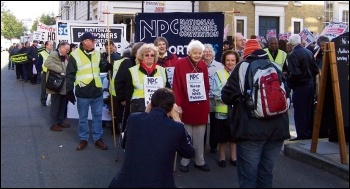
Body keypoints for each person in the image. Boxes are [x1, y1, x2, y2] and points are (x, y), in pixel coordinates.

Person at [221, 39, 290, 188]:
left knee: (248, 176)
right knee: (266, 172)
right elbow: (287, 95)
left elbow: (226, 96)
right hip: (278, 128)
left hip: (251, 129)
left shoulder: (242, 67)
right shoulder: (275, 66)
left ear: (246, 54)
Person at [108, 88, 195, 188]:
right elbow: (190, 153)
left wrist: (146, 111)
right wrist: (177, 118)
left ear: (151, 104)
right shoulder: (176, 128)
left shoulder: (134, 119)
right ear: (171, 108)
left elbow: (124, 144)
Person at [66, 32, 110, 150]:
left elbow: (101, 67)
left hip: (96, 90)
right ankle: (83, 139)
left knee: (97, 116)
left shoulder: (97, 53)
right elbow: (70, 74)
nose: (94, 42)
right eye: (92, 40)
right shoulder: (75, 55)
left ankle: (97, 138)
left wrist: (107, 65)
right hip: (83, 91)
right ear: (85, 41)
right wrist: (69, 90)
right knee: (83, 118)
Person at [172, 40, 210, 172]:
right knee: (186, 134)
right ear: (189, 53)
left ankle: (200, 160)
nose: (197, 55)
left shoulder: (203, 65)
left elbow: (206, 86)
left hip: (200, 104)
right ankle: (185, 160)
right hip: (185, 104)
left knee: (200, 134)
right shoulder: (180, 63)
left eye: (200, 53)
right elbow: (176, 85)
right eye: (195, 53)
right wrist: (177, 104)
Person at [287, 34, 319, 141]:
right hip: (309, 84)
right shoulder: (309, 52)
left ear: (291, 43)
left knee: (300, 111)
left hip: (300, 85)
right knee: (308, 109)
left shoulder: (293, 55)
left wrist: (289, 84)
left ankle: (301, 134)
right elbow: (315, 70)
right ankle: (308, 132)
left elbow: (295, 73)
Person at [125, 43, 171, 113]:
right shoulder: (132, 71)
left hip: (158, 107)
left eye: (152, 55)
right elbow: (128, 94)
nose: (149, 57)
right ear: (141, 56)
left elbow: (167, 90)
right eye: (147, 55)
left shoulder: (162, 70)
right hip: (139, 107)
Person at [212, 50, 239, 168]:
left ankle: (233, 157)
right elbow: (216, 93)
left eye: (233, 60)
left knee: (234, 136)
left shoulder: (240, 74)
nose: (230, 62)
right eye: (228, 60)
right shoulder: (218, 73)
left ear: (236, 61)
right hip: (222, 111)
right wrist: (232, 98)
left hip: (236, 111)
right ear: (224, 61)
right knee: (222, 137)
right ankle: (222, 157)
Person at [107, 40, 134, 133]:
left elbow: (109, 76)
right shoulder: (128, 63)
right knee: (123, 114)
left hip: (113, 91)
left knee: (115, 113)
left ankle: (114, 129)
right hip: (122, 92)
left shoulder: (117, 61)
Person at [44, 42, 71, 131]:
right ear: (61, 47)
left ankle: (60, 121)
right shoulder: (54, 54)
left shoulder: (65, 56)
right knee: (55, 104)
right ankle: (54, 123)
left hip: (63, 84)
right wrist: (60, 70)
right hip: (55, 83)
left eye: (68, 50)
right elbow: (47, 63)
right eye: (66, 49)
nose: (67, 51)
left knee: (62, 104)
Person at [202, 44, 223, 154]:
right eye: (205, 51)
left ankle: (213, 145)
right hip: (202, 98)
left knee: (215, 123)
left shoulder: (219, 66)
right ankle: (202, 144)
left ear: (213, 53)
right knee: (203, 122)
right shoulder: (198, 65)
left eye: (209, 51)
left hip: (215, 98)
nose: (208, 53)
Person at [38, 41, 53, 106]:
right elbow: (39, 64)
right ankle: (43, 100)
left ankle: (48, 99)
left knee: (50, 87)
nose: (51, 46)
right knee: (44, 87)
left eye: (52, 45)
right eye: (50, 45)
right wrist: (40, 71)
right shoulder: (42, 53)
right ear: (46, 46)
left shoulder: (53, 53)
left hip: (52, 72)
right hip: (45, 72)